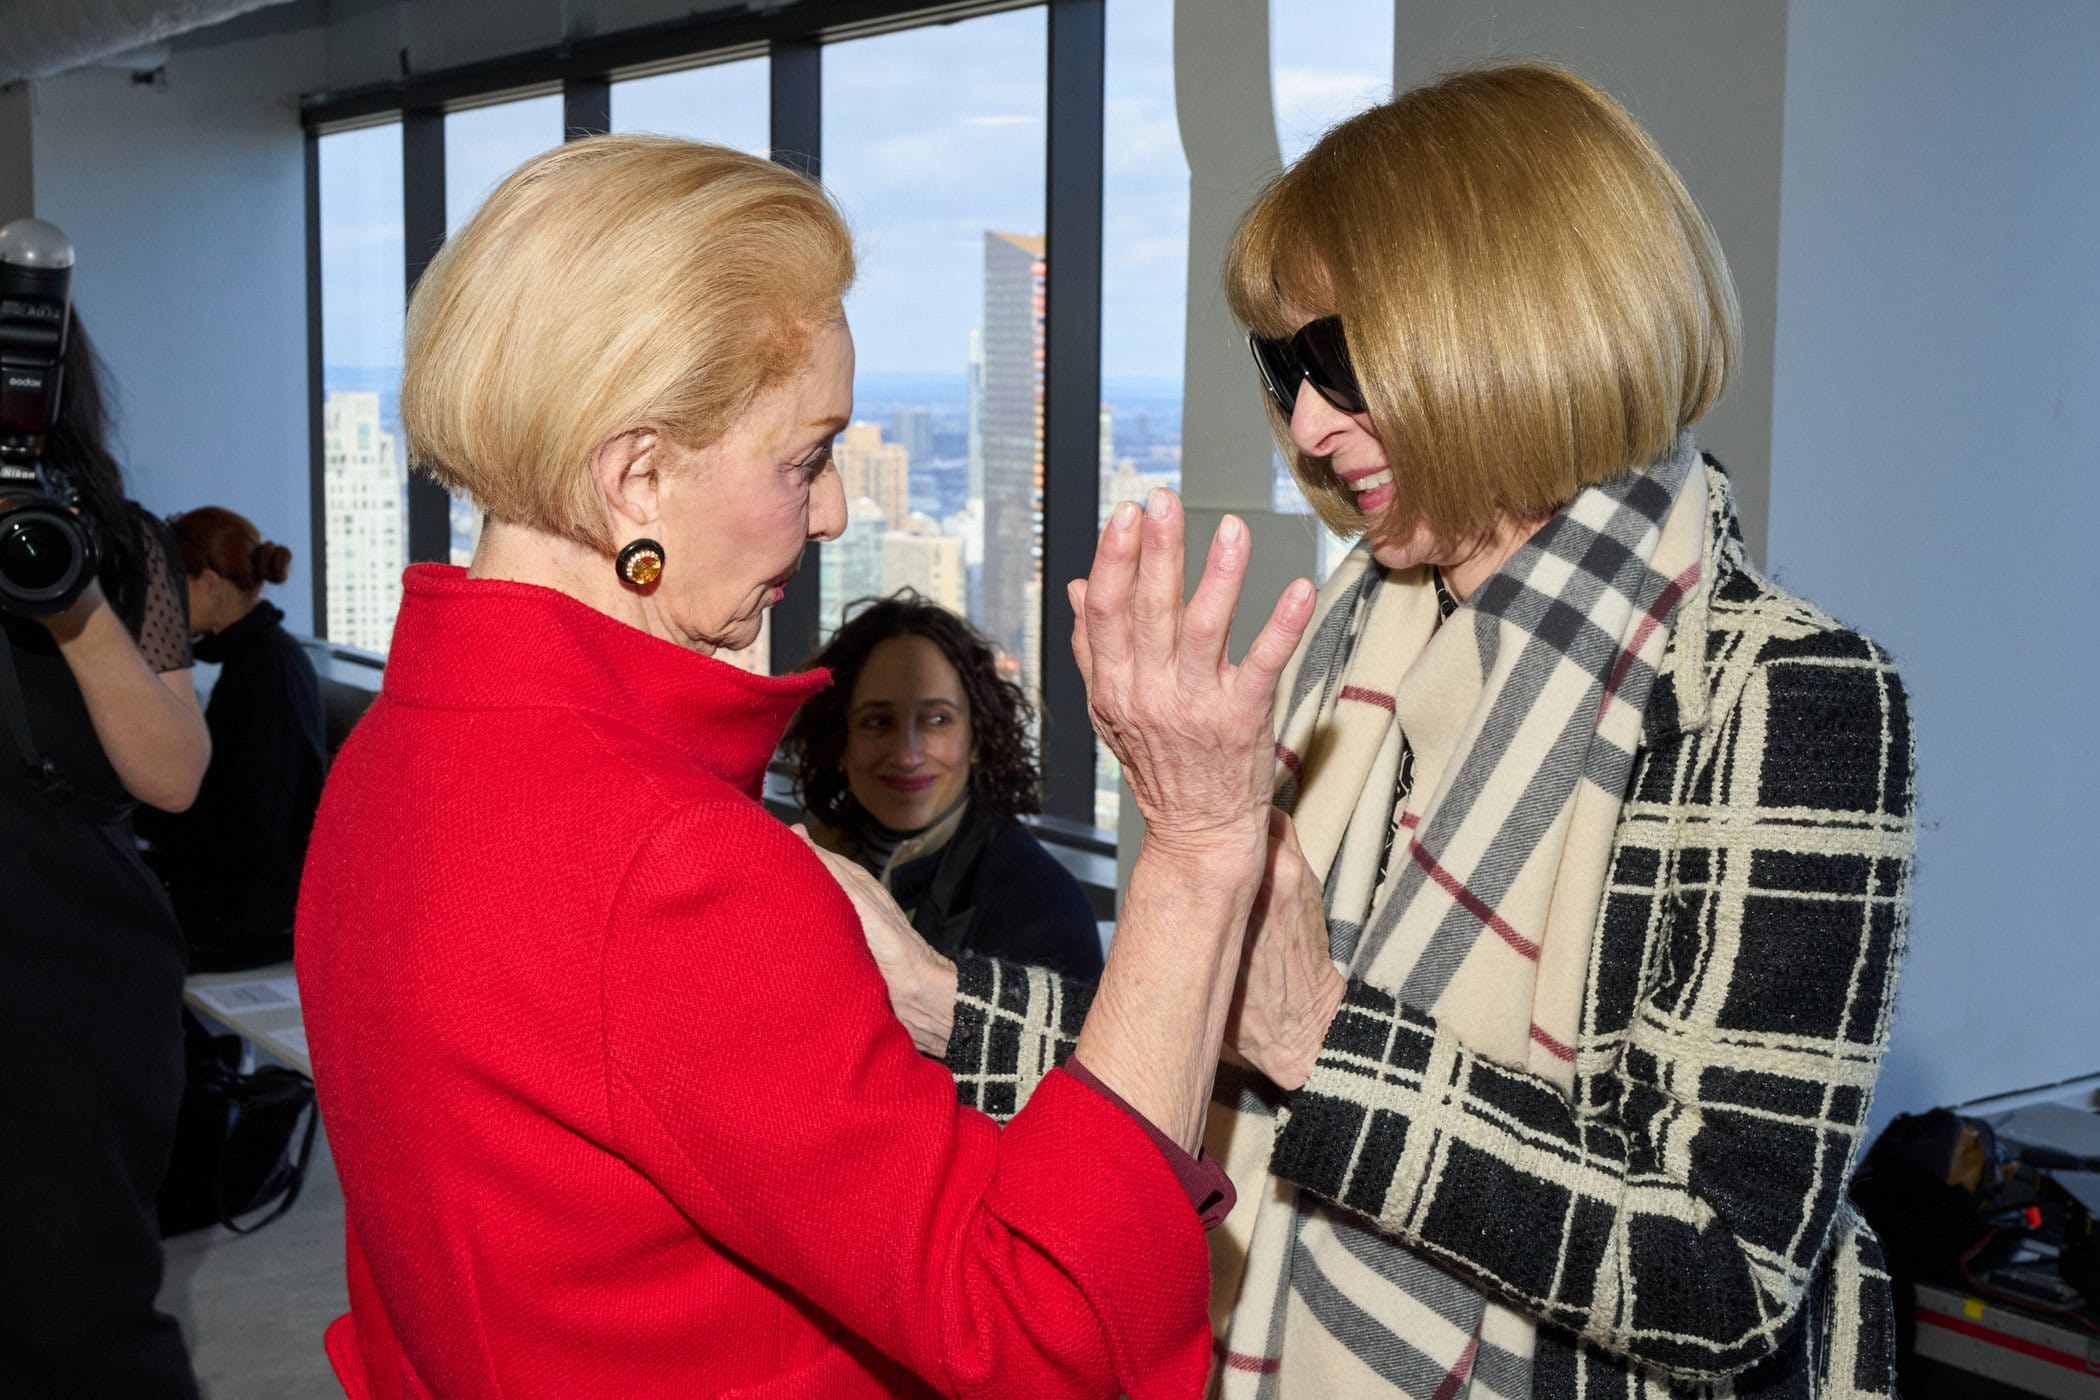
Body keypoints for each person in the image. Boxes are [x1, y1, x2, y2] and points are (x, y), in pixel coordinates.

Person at [848, 65, 1915, 1398]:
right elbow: (1207, 1052)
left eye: (1340, 362)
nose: (1302, 423)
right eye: (1285, 369)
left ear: (1518, 325)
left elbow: (1724, 1277)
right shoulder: (1346, 650)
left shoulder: (1782, 694)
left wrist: (1321, 1034)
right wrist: (935, 1001)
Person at [295, 134, 1315, 1399]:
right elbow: (1044, 1329)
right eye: (806, 458)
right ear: (639, 477)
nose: (831, 510)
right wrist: (1202, 850)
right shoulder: (667, 862)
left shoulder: (397, 756)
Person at [0, 311, 208, 1397]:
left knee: (75, 1311)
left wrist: (68, 596)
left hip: (72, 986)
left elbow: (173, 774)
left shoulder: (121, 543)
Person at [784, 591, 1104, 983]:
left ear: (977, 738)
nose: (907, 754)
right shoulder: (798, 868)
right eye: (877, 721)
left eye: (938, 720)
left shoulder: (1041, 905)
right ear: (838, 741)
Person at [138, 506, 325, 970]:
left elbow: (247, 825)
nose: (164, 603)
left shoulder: (263, 672)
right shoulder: (262, 658)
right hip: (249, 899)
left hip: (250, 917)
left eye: (171, 587)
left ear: (210, 585)